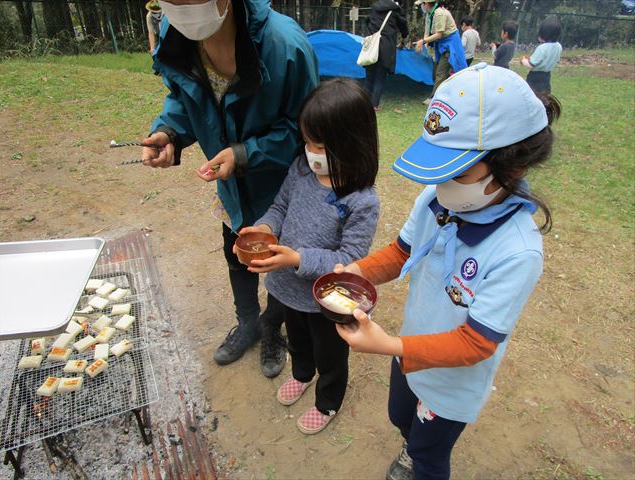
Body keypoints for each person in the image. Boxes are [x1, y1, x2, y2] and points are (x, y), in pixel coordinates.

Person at [334, 64, 561, 479]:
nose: (443, 184)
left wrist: (390, 345)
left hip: (449, 382)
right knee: (401, 416)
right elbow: (401, 251)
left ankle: (417, 459)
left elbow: (476, 343)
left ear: (512, 168)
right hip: (408, 354)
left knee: (431, 454)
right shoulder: (437, 199)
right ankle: (410, 446)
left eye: (458, 171)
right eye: (439, 169)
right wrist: (356, 271)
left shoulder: (517, 251)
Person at [140, 0, 319, 378]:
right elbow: (184, 99)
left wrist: (245, 153)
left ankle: (272, 328)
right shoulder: (179, 34)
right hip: (232, 188)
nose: (181, 8)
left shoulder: (285, 45)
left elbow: (306, 129)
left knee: (277, 263)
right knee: (236, 251)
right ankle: (249, 323)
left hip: (281, 188)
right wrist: (169, 133)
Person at [239, 78, 380, 434]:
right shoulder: (302, 169)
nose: (310, 151)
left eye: (318, 145)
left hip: (326, 301)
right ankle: (301, 375)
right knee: (298, 341)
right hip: (285, 287)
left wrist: (297, 258)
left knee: (330, 354)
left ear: (352, 144)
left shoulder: (361, 201)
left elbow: (348, 259)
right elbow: (280, 206)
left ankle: (327, 401)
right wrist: (264, 227)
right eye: (306, 142)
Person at [413, 0, 467, 103]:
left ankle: (434, 98)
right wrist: (423, 45)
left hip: (450, 45)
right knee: (436, 71)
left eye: (421, 4)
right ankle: (445, 94)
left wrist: (423, 41)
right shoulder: (430, 14)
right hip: (441, 45)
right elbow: (427, 33)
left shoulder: (439, 13)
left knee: (441, 73)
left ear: (426, 4)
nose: (421, 7)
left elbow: (439, 34)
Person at [363, 0, 409, 112]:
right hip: (386, 46)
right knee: (380, 77)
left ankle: (363, 104)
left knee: (369, 76)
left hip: (371, 46)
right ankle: (374, 105)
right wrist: (404, 35)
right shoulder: (395, 10)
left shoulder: (375, 7)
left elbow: (367, 20)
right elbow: (403, 25)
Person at [521, 17, 563, 94]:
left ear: (543, 34)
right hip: (547, 76)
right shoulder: (559, 46)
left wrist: (523, 61)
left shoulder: (542, 48)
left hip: (535, 77)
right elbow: (555, 60)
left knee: (532, 96)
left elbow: (530, 65)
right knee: (544, 97)